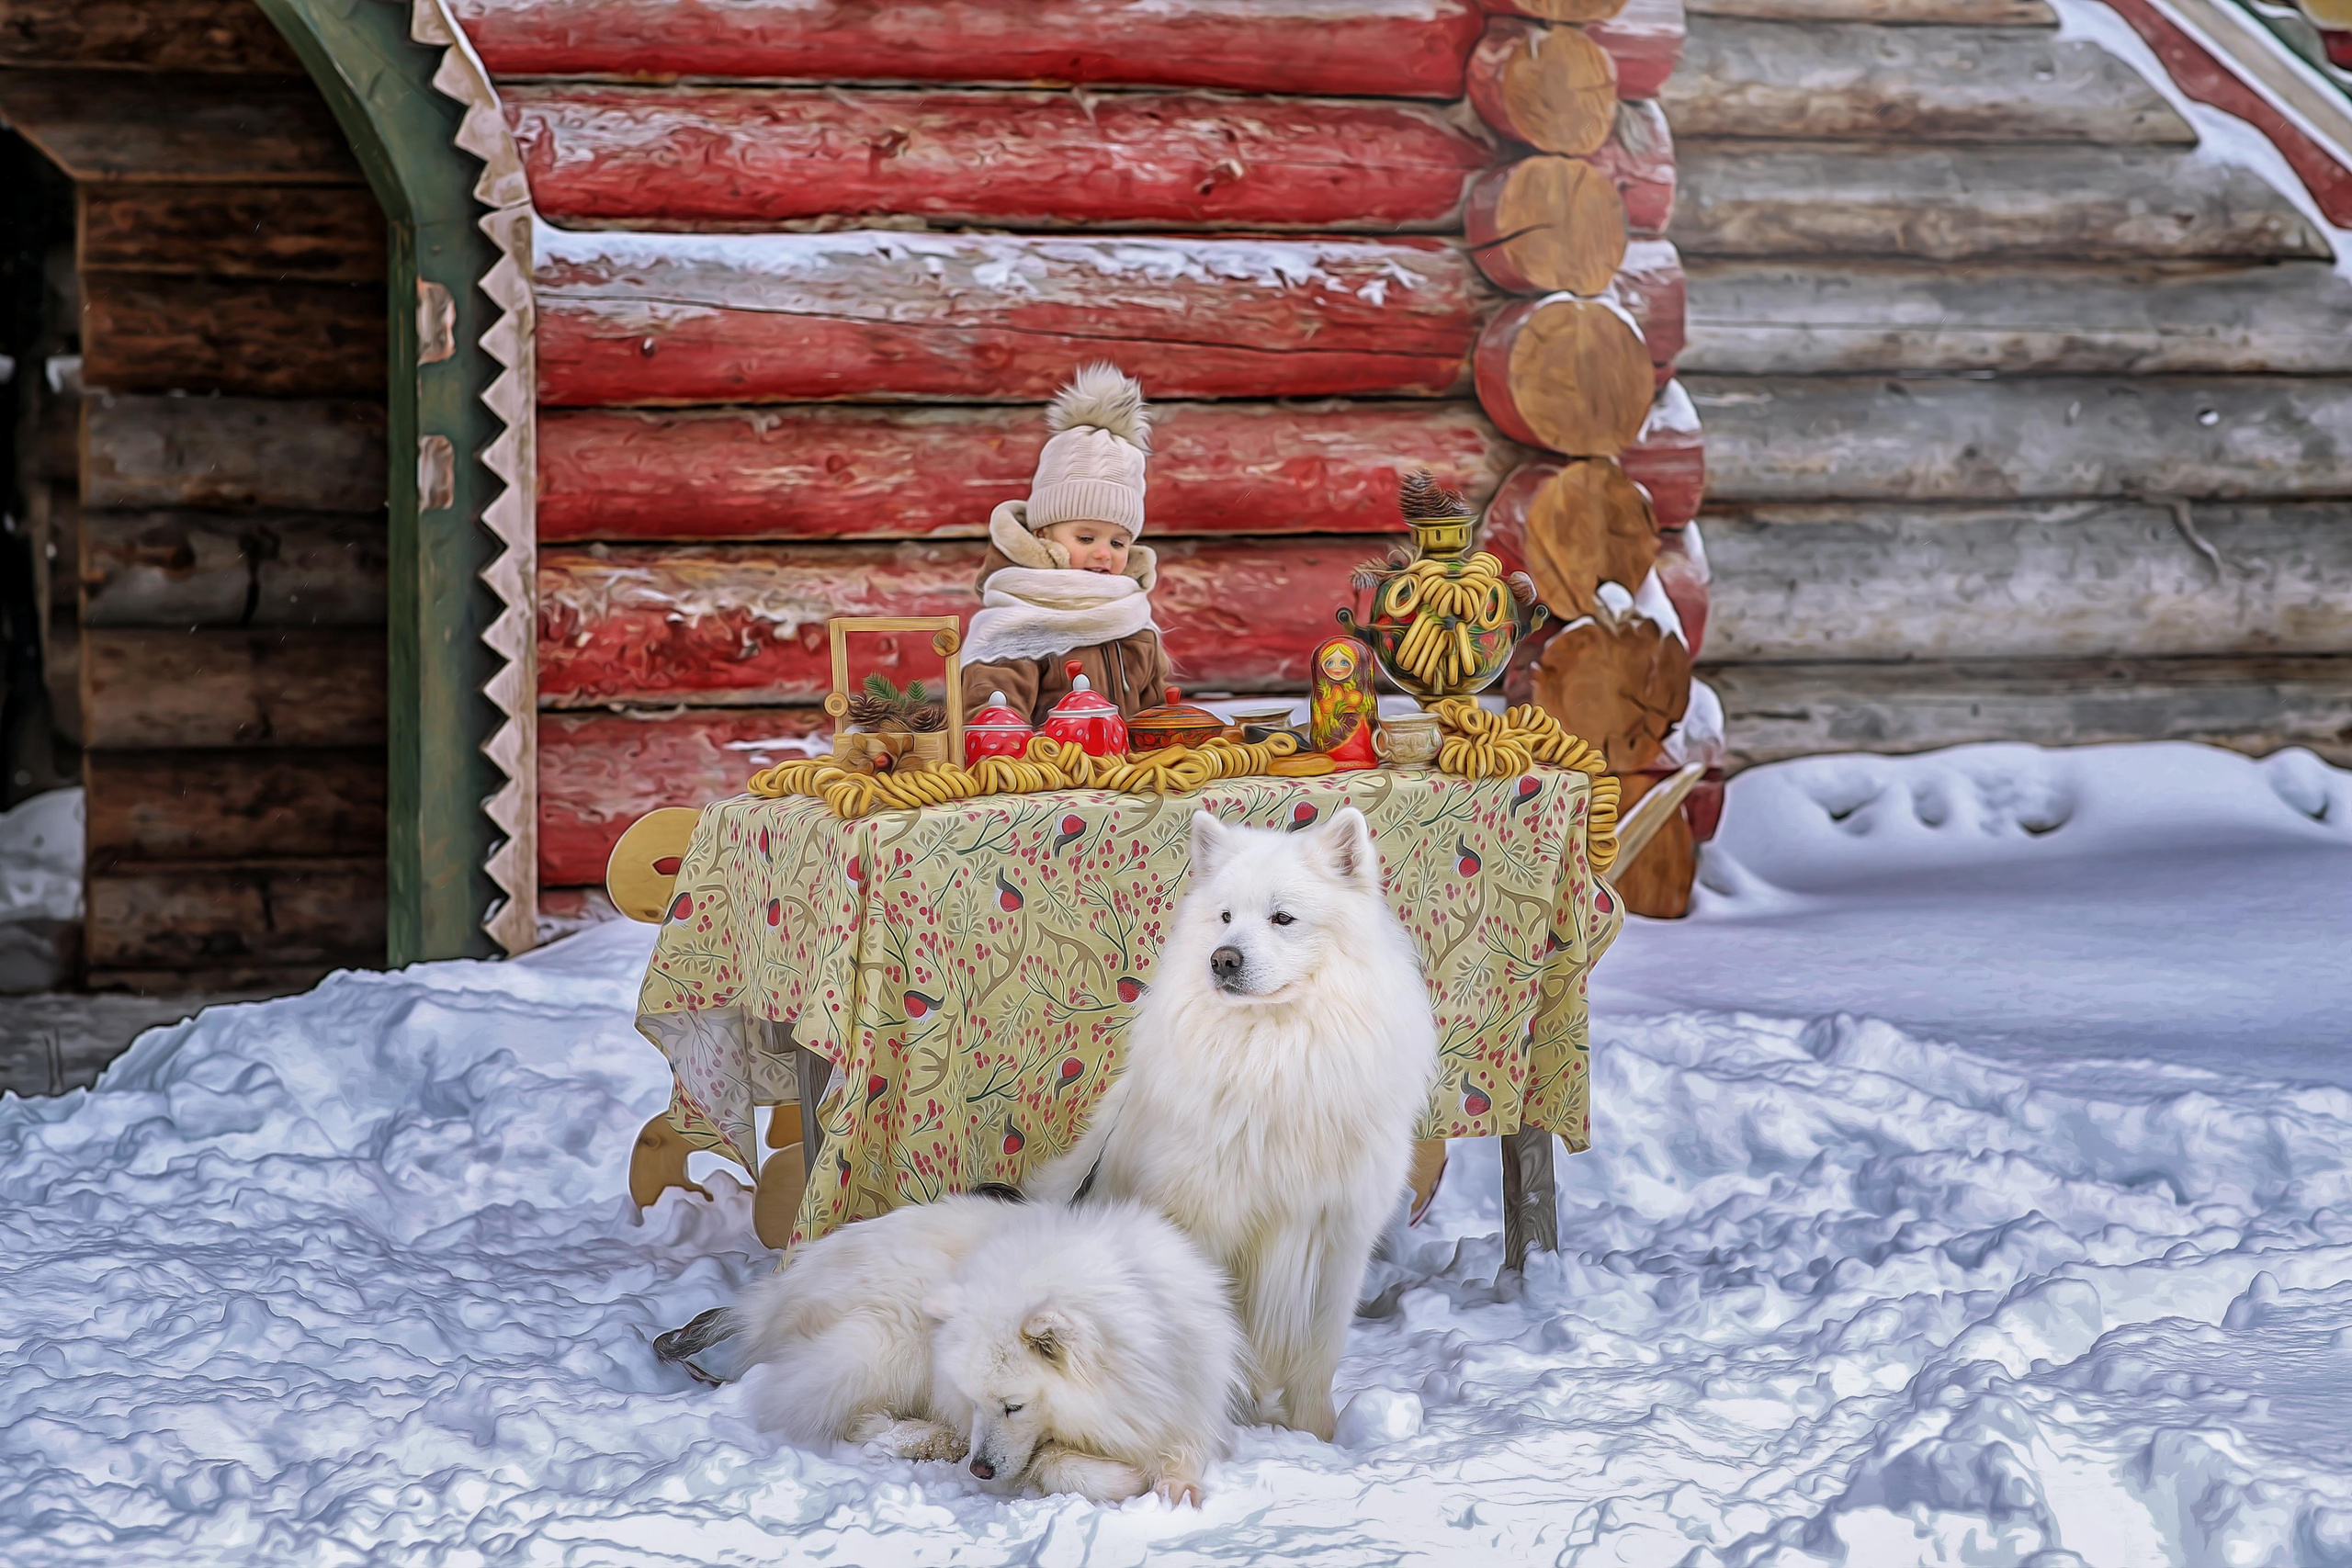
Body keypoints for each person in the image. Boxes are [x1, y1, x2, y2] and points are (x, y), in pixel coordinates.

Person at [959, 364, 1172, 724]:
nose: (1104, 553)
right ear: (1043, 535)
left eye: (1119, 543)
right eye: (1086, 538)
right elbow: (994, 705)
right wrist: (1003, 739)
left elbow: (1152, 703)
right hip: (1046, 772)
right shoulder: (1018, 616)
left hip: (1128, 772)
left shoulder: (1131, 615)